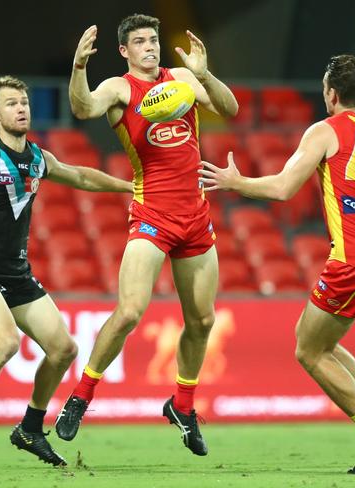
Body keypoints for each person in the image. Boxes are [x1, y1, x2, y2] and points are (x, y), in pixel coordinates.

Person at [199, 54, 355, 474]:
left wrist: (235, 182)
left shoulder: (325, 131)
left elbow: (282, 188)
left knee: (308, 352)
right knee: (319, 341)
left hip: (353, 259)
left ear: (332, 94)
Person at [54, 14, 238, 456]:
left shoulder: (180, 79)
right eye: (139, 42)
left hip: (195, 214)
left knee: (204, 320)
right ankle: (79, 397)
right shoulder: (120, 89)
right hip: (152, 213)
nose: (149, 48)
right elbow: (83, 108)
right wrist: (79, 68)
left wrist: (204, 73)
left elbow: (229, 111)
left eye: (153, 40)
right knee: (131, 311)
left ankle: (183, 405)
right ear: (125, 51)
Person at [0, 75, 132, 468]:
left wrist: (132, 186)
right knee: (5, 343)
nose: (21, 109)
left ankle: (30, 429)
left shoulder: (39, 158)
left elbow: (83, 176)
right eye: (11, 104)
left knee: (64, 349)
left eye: (24, 102)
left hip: (16, 274)